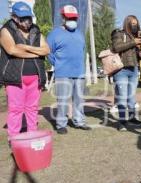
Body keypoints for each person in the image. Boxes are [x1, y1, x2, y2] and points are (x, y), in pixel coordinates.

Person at [0, 1, 49, 138]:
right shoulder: (6, 30)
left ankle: (32, 135)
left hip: (35, 77)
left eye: (29, 17)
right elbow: (12, 50)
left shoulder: (35, 30)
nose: (27, 21)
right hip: (15, 78)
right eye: (23, 18)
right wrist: (36, 53)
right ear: (14, 17)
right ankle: (14, 138)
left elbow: (46, 49)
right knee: (16, 109)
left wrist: (27, 47)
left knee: (32, 109)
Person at [47, 5, 91, 134]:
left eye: (74, 18)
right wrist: (57, 64)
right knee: (63, 100)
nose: (72, 20)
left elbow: (83, 51)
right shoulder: (54, 34)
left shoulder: (79, 34)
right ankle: (61, 124)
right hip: (63, 73)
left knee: (79, 99)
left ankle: (79, 122)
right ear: (63, 17)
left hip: (79, 73)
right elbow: (48, 52)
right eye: (69, 17)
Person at [111, 15, 141, 131]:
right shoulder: (118, 34)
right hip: (121, 70)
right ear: (127, 23)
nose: (135, 26)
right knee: (122, 97)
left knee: (131, 97)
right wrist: (133, 42)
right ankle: (122, 121)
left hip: (134, 70)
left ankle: (131, 117)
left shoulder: (136, 36)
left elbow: (136, 55)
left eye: (136, 23)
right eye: (133, 23)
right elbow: (116, 47)